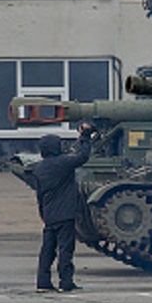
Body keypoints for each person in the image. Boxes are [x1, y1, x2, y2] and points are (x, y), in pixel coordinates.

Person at [32, 125, 94, 293]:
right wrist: (85, 136)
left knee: (47, 250)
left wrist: (44, 214)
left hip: (49, 214)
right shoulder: (62, 163)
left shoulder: (39, 168)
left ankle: (43, 282)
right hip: (65, 213)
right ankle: (66, 282)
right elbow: (82, 157)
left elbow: (39, 195)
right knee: (65, 249)